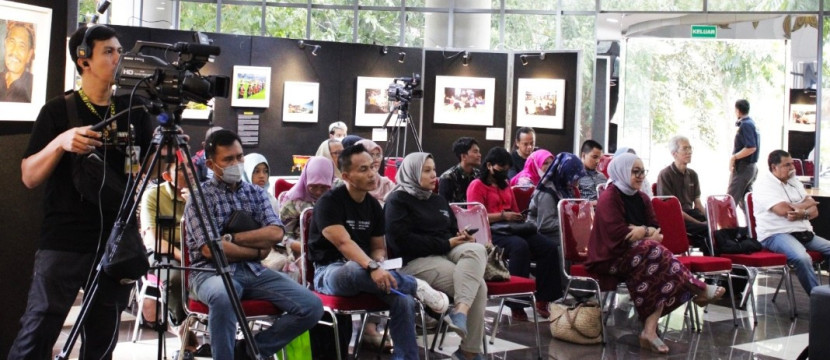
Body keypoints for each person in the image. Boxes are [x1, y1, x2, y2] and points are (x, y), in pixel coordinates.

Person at [10, 25, 154, 359]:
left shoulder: (134, 110)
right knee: (39, 328)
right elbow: (29, 176)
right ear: (83, 60)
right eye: (109, 51)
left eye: (120, 50)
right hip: (64, 240)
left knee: (103, 336)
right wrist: (61, 142)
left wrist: (164, 148)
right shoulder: (58, 111)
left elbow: (149, 172)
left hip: (115, 242)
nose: (118, 57)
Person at [184, 129, 323, 360]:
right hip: (209, 274)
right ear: (210, 164)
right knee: (224, 294)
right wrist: (257, 250)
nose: (236, 163)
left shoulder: (255, 193)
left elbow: (276, 233)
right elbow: (210, 250)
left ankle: (251, 350)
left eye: (239, 157)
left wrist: (231, 239)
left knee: (312, 306)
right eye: (228, 159)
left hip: (254, 271)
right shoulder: (200, 198)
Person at [308, 144, 450, 360]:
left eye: (373, 167)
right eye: (363, 169)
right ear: (346, 175)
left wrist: (379, 261)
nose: (372, 174)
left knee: (403, 299)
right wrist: (372, 266)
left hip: (368, 271)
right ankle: (416, 285)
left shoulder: (373, 206)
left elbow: (377, 247)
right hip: (330, 273)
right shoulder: (329, 202)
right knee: (355, 268)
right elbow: (344, 244)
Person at [585, 153, 725, 354]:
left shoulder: (641, 197)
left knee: (655, 264)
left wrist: (641, 231)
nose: (641, 176)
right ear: (622, 172)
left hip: (640, 256)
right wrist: (644, 234)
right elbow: (617, 233)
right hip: (610, 257)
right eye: (636, 171)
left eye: (643, 171)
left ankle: (649, 331)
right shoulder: (610, 197)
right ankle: (697, 289)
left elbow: (656, 230)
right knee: (653, 252)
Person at [385, 152, 487, 360]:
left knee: (477, 249)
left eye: (434, 169)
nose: (434, 175)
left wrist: (461, 237)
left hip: (445, 251)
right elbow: (401, 242)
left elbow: (449, 231)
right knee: (478, 286)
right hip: (413, 261)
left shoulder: (439, 200)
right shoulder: (397, 200)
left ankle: (460, 311)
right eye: (427, 170)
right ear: (412, 172)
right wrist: (446, 243)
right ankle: (469, 353)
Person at [466, 147, 560, 320]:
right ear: (489, 165)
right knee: (520, 247)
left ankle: (544, 298)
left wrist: (518, 216)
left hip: (511, 227)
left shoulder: (506, 184)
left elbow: (515, 209)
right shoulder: (477, 185)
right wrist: (502, 215)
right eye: (501, 168)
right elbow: (475, 214)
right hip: (491, 231)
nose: (504, 172)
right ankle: (517, 303)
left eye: (507, 169)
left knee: (548, 247)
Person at [139, 152, 197, 353]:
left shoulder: (200, 195)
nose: (189, 173)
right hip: (163, 251)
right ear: (167, 176)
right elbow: (152, 239)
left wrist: (194, 204)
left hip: (194, 250)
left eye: (191, 167)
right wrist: (181, 255)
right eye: (182, 169)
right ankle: (180, 323)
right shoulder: (153, 195)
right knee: (176, 277)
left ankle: (202, 321)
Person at [752, 150, 830, 294]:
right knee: (802, 258)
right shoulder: (764, 185)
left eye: (792, 164)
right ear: (774, 167)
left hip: (802, 232)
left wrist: (801, 211)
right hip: (775, 234)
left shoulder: (794, 181)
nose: (792, 168)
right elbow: (783, 211)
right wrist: (806, 205)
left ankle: (826, 294)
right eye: (787, 165)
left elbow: (815, 211)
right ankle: (818, 300)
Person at [656, 136, 711, 255]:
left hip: (691, 214)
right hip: (676, 218)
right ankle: (713, 263)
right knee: (707, 230)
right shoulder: (665, 174)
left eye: (690, 148)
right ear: (674, 153)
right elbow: (673, 210)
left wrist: (711, 218)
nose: (689, 152)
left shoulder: (693, 174)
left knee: (717, 227)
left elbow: (698, 204)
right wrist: (698, 223)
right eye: (685, 149)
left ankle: (726, 263)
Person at [277, 156, 334, 268]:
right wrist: (304, 247)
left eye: (324, 188)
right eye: (313, 186)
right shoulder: (293, 201)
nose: (318, 192)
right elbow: (281, 235)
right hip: (301, 251)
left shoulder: (337, 195)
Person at [527, 152, 586, 242]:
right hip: (544, 235)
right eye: (574, 177)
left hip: (561, 230)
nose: (577, 182)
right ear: (565, 174)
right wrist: (572, 221)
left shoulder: (566, 188)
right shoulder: (547, 192)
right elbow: (545, 224)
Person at [729, 99, 760, 209]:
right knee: (745, 202)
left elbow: (751, 147)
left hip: (744, 167)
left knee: (730, 200)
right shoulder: (751, 123)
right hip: (750, 168)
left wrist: (734, 157)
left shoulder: (746, 125)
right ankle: (752, 225)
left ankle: (725, 225)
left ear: (737, 110)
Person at [438, 136, 482, 203]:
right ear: (463, 156)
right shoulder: (447, 178)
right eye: (475, 152)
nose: (479, 155)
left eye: (479, 152)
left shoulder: (479, 175)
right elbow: (443, 205)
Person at [1, 21, 34, 102]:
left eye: (21, 46)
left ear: (29, 54)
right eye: (11, 42)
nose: (14, 51)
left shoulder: (34, 87)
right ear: (5, 44)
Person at [356, 139, 395, 205]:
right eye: (371, 155)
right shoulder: (353, 185)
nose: (376, 159)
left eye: (378, 155)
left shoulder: (386, 183)